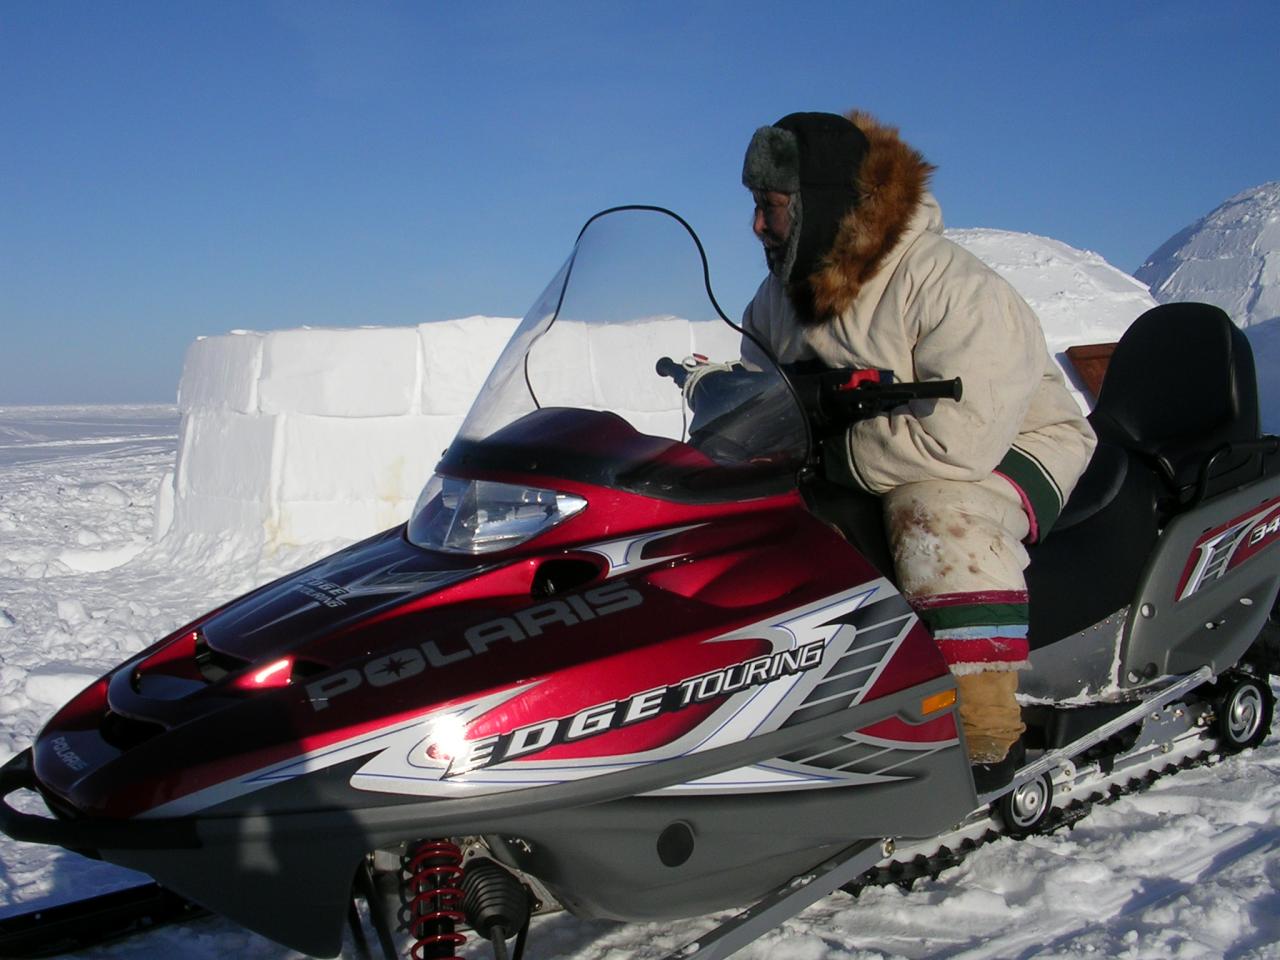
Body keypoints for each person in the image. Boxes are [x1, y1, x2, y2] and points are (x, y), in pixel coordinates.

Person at [738, 110, 1096, 788]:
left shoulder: (949, 285)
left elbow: (958, 439)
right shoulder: (776, 299)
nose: (757, 224)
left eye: (772, 205)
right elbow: (757, 393)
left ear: (822, 203)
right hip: (871, 448)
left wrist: (833, 456)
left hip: (1011, 442)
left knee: (932, 511)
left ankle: (983, 724)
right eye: (755, 204)